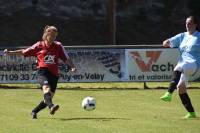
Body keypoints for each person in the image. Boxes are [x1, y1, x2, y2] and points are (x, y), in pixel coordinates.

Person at [4, 25, 76, 119]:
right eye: (52, 35)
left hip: (54, 74)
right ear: (46, 35)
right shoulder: (39, 45)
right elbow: (24, 52)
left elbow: (66, 58)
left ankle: (34, 111)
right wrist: (11, 53)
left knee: (48, 98)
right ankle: (52, 107)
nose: (53, 37)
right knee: (46, 89)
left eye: (55, 36)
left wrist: (72, 66)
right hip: (43, 72)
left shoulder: (58, 46)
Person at [160, 16, 200, 118]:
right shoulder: (182, 36)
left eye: (190, 22)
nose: (187, 24)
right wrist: (167, 42)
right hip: (185, 65)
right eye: (186, 23)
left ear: (196, 24)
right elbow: (166, 42)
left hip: (195, 64)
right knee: (181, 88)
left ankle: (168, 93)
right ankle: (191, 113)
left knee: (178, 68)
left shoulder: (199, 36)